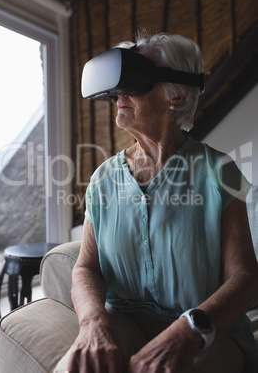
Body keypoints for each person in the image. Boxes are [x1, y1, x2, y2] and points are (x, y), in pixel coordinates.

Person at [55, 32, 258, 373]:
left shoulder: (218, 171)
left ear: (176, 95)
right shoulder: (103, 179)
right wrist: (93, 322)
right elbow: (85, 267)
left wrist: (189, 330)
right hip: (125, 320)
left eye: (135, 79)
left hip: (204, 330)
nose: (120, 93)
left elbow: (247, 279)